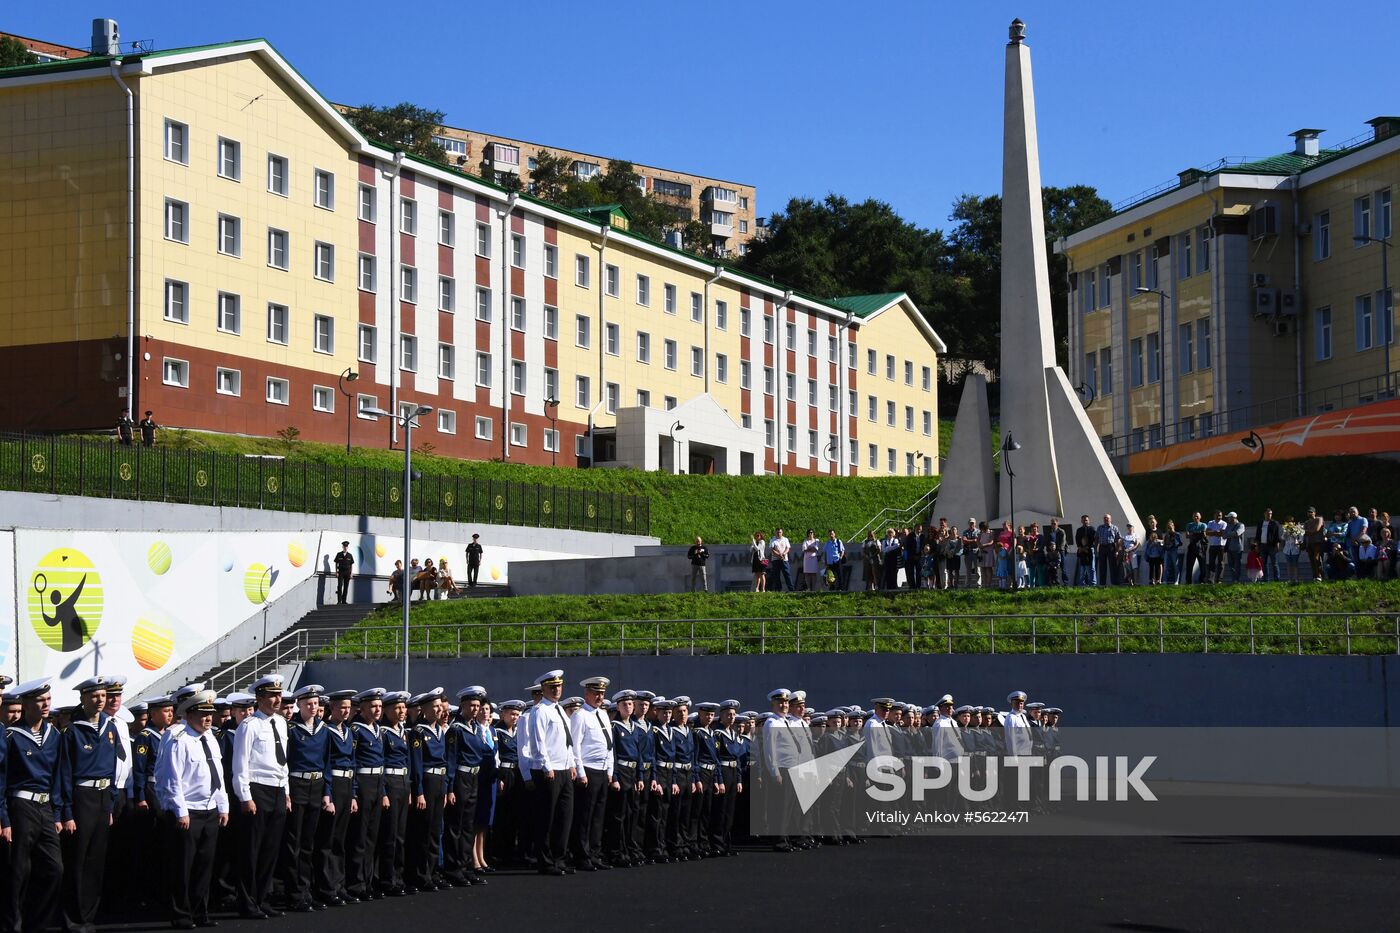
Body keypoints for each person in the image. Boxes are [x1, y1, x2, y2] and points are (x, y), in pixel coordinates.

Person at [157, 689, 229, 931]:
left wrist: (223, 806)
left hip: (209, 809)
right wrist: (180, 811)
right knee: (183, 866)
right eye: (202, 714)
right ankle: (181, 914)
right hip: (189, 810)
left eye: (210, 713)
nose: (208, 718)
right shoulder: (179, 739)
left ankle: (200, 911)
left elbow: (217, 775)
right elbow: (172, 778)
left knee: (204, 865)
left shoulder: (210, 738)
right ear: (189, 715)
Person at [59, 676, 124, 933]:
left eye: (103, 695)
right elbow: (65, 773)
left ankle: (88, 916)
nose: (100, 700)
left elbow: (113, 768)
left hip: (103, 797)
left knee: (96, 859)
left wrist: (111, 803)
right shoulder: (72, 731)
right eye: (94, 696)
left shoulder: (110, 727)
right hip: (81, 797)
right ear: (83, 698)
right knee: (78, 859)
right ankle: (73, 918)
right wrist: (66, 812)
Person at [2, 679, 64, 933]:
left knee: (55, 869)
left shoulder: (54, 735)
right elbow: (2, 779)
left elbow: (58, 776)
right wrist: (4, 818)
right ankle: (12, 926)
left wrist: (57, 813)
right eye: (40, 700)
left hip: (45, 807)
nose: (46, 704)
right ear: (26, 705)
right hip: (21, 805)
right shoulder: (11, 736)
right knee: (18, 872)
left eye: (48, 699)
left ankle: (37, 924)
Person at [231, 673, 290, 921]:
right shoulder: (249, 725)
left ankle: (262, 898)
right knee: (251, 850)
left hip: (277, 789)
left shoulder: (281, 723)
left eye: (279, 695)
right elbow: (240, 764)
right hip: (257, 788)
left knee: (270, 850)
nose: (277, 700)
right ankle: (247, 902)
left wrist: (286, 792)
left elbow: (283, 762)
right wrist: (245, 796)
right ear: (260, 698)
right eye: (272, 695)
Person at [521, 670, 576, 876]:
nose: (556, 690)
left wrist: (571, 763)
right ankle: (545, 861)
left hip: (564, 768)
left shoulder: (559, 709)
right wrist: (546, 766)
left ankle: (559, 858)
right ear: (543, 689)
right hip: (548, 770)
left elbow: (567, 741)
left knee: (564, 816)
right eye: (552, 687)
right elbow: (538, 741)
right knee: (547, 818)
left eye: (559, 686)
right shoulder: (540, 710)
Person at [281, 684, 328, 912]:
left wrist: (327, 792)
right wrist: (287, 792)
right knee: (294, 842)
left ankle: (306, 890)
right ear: (299, 705)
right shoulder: (291, 729)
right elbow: (285, 760)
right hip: (297, 784)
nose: (313, 707)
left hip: (316, 785)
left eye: (316, 703)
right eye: (308, 703)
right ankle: (294, 893)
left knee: (309, 842)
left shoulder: (323, 729)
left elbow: (327, 761)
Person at [313, 689, 358, 907]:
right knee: (327, 839)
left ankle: (339, 885)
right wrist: (328, 794)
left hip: (347, 784)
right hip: (334, 784)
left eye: (348, 708)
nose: (346, 711)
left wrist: (354, 794)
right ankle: (326, 887)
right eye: (342, 707)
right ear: (332, 708)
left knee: (340, 839)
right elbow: (326, 763)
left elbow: (353, 762)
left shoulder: (348, 731)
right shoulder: (326, 731)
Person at [569, 677, 614, 872]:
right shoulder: (580, 716)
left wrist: (610, 770)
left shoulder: (603, 714)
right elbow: (575, 746)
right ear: (586, 694)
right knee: (584, 815)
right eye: (596, 693)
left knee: (598, 816)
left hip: (602, 770)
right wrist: (580, 772)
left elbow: (609, 745)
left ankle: (595, 853)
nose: (600, 697)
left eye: (602, 694)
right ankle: (582, 855)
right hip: (588, 769)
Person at [1256, 509, 1282, 583]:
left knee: (1274, 563)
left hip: (1272, 546)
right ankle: (1265, 579)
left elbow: (1277, 535)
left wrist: (1277, 544)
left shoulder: (1275, 523)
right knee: (1264, 563)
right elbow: (1258, 534)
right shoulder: (1261, 523)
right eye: (1268, 514)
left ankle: (1276, 579)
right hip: (1262, 545)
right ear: (1264, 514)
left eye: (1270, 514)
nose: (1269, 515)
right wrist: (1257, 545)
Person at [1095, 514, 1121, 586]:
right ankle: (1102, 584)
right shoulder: (1100, 527)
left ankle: (1114, 583)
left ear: (1110, 519)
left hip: (1111, 547)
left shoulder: (1114, 528)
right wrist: (1096, 549)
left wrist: (1117, 550)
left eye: (1107, 518)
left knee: (1113, 566)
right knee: (1102, 566)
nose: (1106, 519)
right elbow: (1096, 538)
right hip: (1102, 547)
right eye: (1105, 518)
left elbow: (1118, 539)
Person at [1303, 507, 1327, 582]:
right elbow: (1303, 533)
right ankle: (1315, 576)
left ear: (1314, 513)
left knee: (1317, 559)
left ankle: (1320, 576)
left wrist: (1306, 531)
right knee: (1312, 560)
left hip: (1318, 542)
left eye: (1311, 512)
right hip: (1310, 543)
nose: (1310, 513)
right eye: (1308, 512)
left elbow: (1316, 529)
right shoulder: (1306, 522)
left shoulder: (1319, 519)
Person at [1183, 512, 1207, 584]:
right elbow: (1187, 535)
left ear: (1200, 517)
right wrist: (1197, 533)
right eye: (1194, 516)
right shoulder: (1189, 525)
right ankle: (1188, 581)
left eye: (1197, 516)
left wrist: (1193, 533)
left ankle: (1202, 580)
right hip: (1192, 546)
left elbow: (1204, 535)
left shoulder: (1203, 525)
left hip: (1201, 546)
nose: (1196, 518)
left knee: (1202, 564)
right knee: (1189, 565)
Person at [1222, 512, 1246, 583]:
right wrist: (1231, 533)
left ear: (1233, 518)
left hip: (1238, 549)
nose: (1228, 519)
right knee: (1231, 565)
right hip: (1229, 548)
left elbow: (1237, 533)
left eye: (1229, 517)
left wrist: (1228, 533)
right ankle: (1233, 579)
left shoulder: (1241, 525)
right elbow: (1224, 536)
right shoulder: (1228, 525)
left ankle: (1237, 580)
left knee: (1237, 565)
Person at [1074, 514, 1097, 586]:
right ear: (1081, 521)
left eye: (1086, 520)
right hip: (1081, 551)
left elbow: (1094, 540)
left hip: (1090, 550)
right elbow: (1077, 539)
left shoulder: (1092, 529)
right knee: (1082, 568)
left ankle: (1092, 584)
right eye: (1083, 520)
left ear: (1089, 520)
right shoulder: (1079, 530)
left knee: (1091, 567)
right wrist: (1080, 547)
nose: (1085, 521)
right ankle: (1082, 584)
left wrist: (1087, 547)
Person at [1281, 516, 1305, 582]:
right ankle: (1289, 579)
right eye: (1288, 521)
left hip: (1295, 549)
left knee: (1295, 564)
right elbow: (1283, 538)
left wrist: (1295, 536)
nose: (1290, 523)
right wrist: (1286, 532)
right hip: (1287, 549)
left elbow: (1301, 539)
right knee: (1288, 564)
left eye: (1291, 521)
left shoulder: (1298, 528)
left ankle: (1296, 579)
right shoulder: (1286, 528)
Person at [1205, 511, 1227, 583]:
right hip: (1212, 545)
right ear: (1214, 516)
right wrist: (1216, 532)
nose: (1218, 517)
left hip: (1221, 546)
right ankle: (1211, 579)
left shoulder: (1224, 523)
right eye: (1217, 515)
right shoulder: (1210, 523)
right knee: (1211, 563)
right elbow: (1207, 533)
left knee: (1221, 563)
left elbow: (1221, 533)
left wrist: (1213, 532)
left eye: (1220, 515)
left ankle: (1219, 580)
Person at [961, 519, 982, 589]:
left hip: (976, 552)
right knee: (968, 570)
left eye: (973, 523)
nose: (971, 524)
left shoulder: (978, 531)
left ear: (975, 523)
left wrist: (968, 540)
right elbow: (964, 541)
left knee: (977, 569)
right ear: (968, 523)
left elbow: (978, 541)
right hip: (968, 552)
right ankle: (968, 585)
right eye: (970, 523)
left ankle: (978, 585)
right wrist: (973, 540)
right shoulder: (965, 532)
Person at [1162, 520, 1183, 584]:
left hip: (1174, 551)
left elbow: (1180, 543)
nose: (1169, 529)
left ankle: (1176, 581)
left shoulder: (1177, 534)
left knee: (1175, 566)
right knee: (1166, 566)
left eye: (1170, 527)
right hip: (1167, 551)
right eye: (1168, 528)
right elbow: (1164, 543)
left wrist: (1175, 543)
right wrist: (1164, 545)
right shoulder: (1166, 535)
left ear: (1173, 527)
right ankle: (1165, 580)